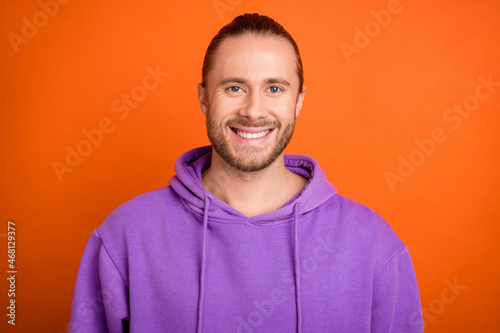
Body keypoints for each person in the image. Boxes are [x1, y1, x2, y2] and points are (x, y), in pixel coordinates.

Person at [69, 13, 424, 333]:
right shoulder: (125, 236)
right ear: (204, 98)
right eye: (234, 88)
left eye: (274, 88)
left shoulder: (373, 244)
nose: (253, 111)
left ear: (298, 100)